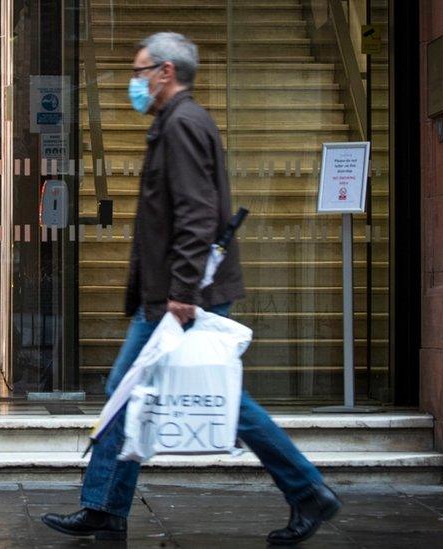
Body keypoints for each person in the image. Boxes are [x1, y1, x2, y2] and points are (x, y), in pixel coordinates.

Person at [41, 32, 342, 545]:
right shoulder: (177, 122)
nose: (134, 82)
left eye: (140, 71)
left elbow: (197, 214)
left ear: (165, 72)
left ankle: (305, 488)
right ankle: (106, 506)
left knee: (140, 392)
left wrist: (180, 294)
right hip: (175, 291)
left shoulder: (181, 124)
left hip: (178, 296)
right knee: (164, 394)